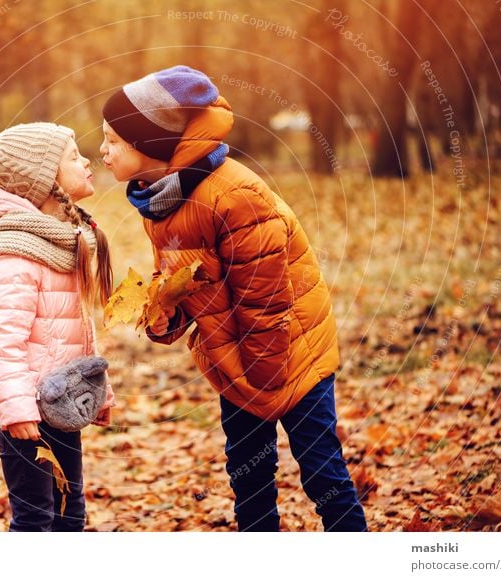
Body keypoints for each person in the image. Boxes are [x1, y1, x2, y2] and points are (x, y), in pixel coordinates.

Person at [100, 66, 367, 532]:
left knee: (321, 471)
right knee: (248, 474)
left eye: (113, 141)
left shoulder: (235, 196)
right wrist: (166, 315)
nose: (102, 151)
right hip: (236, 358)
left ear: (149, 144)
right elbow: (185, 281)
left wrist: (259, 387)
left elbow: (266, 304)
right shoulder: (159, 201)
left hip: (292, 349)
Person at [0, 122, 115, 531]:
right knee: (36, 520)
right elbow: (3, 344)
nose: (86, 160)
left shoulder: (58, 240)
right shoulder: (17, 255)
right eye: (73, 156)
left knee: (70, 515)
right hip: (25, 413)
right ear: (45, 181)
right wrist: (17, 411)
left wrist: (97, 393)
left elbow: (73, 329)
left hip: (59, 407)